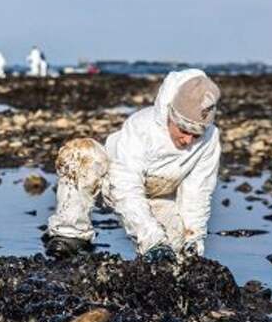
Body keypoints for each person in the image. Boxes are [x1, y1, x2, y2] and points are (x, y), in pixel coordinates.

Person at [45, 69, 221, 262]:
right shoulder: (141, 127)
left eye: (196, 135)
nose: (188, 140)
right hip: (113, 180)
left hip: (158, 197)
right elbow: (126, 186)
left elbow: (197, 192)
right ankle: (71, 234)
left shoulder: (210, 141)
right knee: (81, 153)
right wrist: (151, 237)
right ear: (171, 114)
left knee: (175, 258)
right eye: (183, 130)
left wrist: (193, 239)